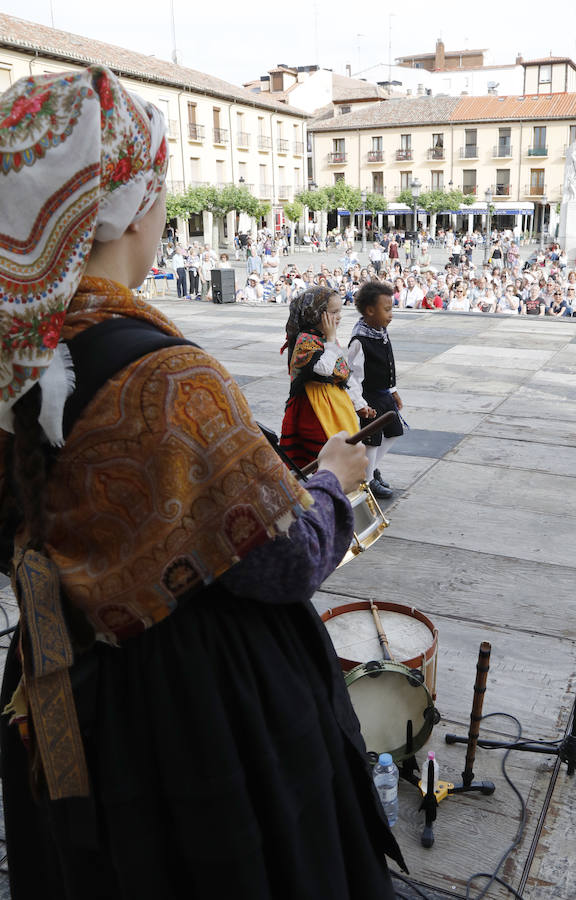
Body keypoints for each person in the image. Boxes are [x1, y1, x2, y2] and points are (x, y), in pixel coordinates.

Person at [0, 67, 404, 900]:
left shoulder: (13, 360)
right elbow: (287, 560)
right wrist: (332, 479)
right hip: (186, 711)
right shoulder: (172, 379)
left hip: (51, 686)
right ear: (127, 205)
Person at [279, 287, 360, 469]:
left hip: (333, 404)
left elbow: (343, 373)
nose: (338, 316)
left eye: (340, 311)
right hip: (313, 408)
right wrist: (331, 341)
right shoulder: (306, 339)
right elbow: (323, 369)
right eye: (333, 312)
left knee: (342, 447)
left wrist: (359, 403)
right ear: (315, 314)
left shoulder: (326, 338)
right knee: (322, 455)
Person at [348, 282, 404, 500]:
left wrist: (394, 389)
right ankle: (368, 480)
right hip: (369, 397)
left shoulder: (381, 331)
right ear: (370, 311)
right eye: (387, 309)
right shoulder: (360, 340)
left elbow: (388, 363)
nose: (391, 315)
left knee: (394, 432)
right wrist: (360, 404)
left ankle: (370, 469)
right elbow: (352, 376)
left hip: (384, 394)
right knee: (372, 440)